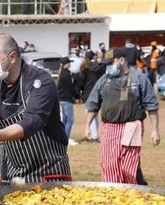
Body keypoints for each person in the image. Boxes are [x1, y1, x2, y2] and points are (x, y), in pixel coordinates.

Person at [0, 33, 71, 186]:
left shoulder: (41, 81)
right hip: (14, 174)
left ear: (12, 57)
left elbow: (32, 122)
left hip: (50, 172)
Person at [85, 48, 160, 184]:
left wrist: (155, 130)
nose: (108, 67)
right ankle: (112, 198)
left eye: (110, 63)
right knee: (110, 165)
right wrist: (87, 126)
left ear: (121, 60)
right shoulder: (104, 80)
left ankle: (132, 196)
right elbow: (93, 104)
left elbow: (151, 106)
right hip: (109, 128)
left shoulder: (140, 79)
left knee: (129, 167)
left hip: (132, 127)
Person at [78, 50, 106, 143]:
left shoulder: (84, 67)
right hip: (97, 93)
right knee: (96, 116)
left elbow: (81, 82)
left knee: (90, 115)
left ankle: (92, 136)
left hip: (87, 93)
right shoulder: (98, 67)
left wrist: (80, 93)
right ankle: (95, 135)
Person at [57, 56, 79, 145]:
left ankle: (63, 137)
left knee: (64, 119)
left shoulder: (61, 74)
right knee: (70, 119)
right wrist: (77, 97)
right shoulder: (66, 74)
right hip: (66, 99)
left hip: (61, 99)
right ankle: (66, 138)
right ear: (66, 64)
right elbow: (71, 87)